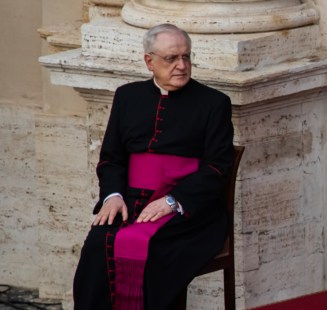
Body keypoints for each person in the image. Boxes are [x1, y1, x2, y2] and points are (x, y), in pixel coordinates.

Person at [73, 23, 234, 309]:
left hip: (190, 208)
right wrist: (112, 196)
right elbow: (111, 157)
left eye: (186, 57)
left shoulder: (214, 103)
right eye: (171, 58)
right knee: (99, 244)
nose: (181, 66)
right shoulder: (127, 97)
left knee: (154, 247)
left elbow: (218, 167)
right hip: (131, 200)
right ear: (150, 61)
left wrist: (174, 201)